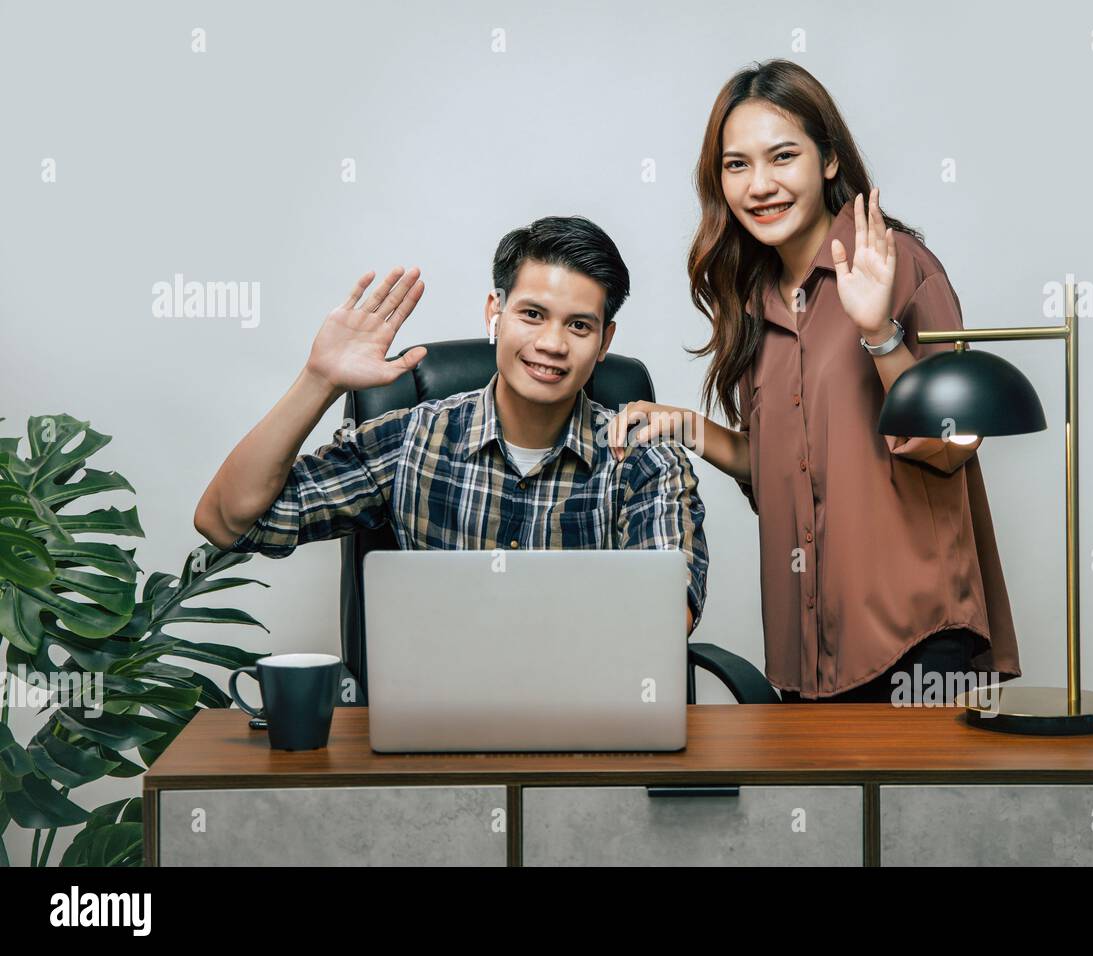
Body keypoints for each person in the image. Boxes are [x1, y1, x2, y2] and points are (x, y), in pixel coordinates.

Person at [610, 59, 1022, 701]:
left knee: (916, 808)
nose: (759, 185)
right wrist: (690, 429)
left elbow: (954, 446)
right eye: (737, 164)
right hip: (810, 651)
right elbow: (790, 475)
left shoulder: (899, 266)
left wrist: (879, 332)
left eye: (782, 157)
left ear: (828, 160)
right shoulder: (753, 303)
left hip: (918, 640)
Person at [194, 216, 707, 636]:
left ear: (604, 342)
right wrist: (319, 380)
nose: (552, 343)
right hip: (434, 736)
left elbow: (666, 621)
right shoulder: (414, 439)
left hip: (597, 732)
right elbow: (225, 521)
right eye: (532, 314)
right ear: (495, 314)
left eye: (579, 325)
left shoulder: (644, 458)